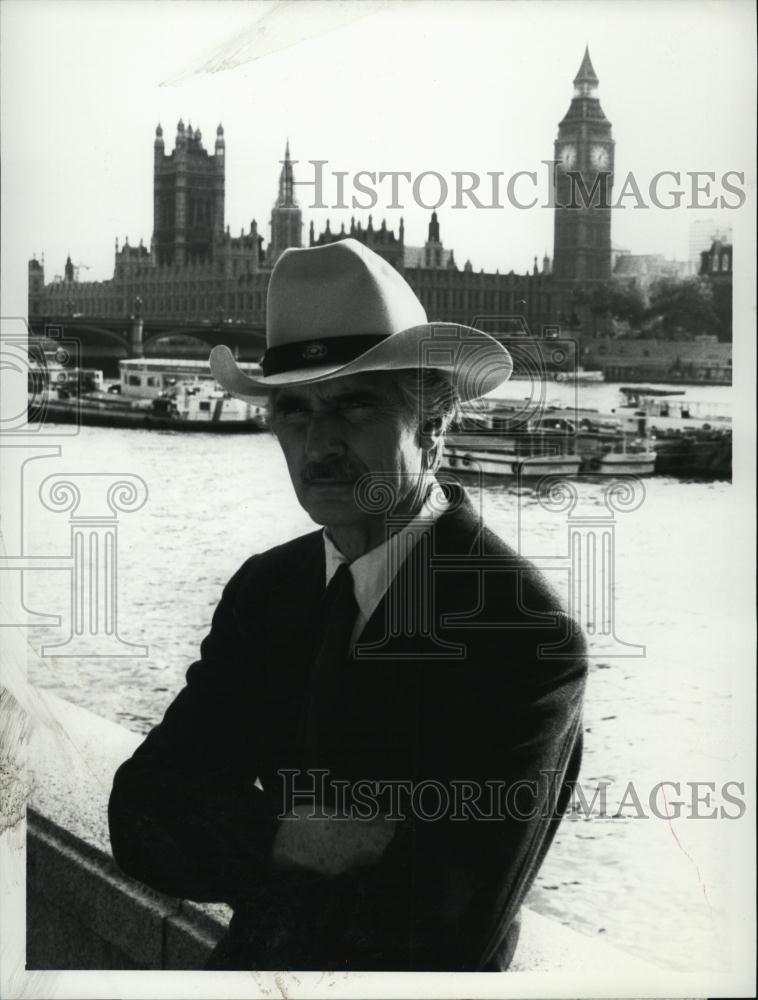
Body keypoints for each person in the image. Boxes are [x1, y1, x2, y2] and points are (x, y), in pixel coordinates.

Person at [108, 239, 587, 972]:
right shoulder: (267, 590)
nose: (319, 444)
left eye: (354, 407)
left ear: (434, 425)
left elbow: (442, 918)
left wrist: (239, 839)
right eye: (295, 413)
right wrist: (301, 836)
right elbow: (140, 816)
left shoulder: (520, 629)